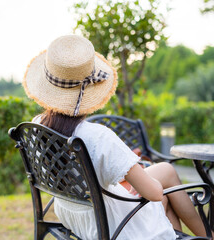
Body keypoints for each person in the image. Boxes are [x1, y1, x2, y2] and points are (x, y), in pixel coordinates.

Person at [22, 35, 208, 240]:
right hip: (113, 225)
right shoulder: (97, 137)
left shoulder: (38, 125)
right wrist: (141, 184)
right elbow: (154, 194)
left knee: (164, 175)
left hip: (75, 214)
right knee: (163, 189)